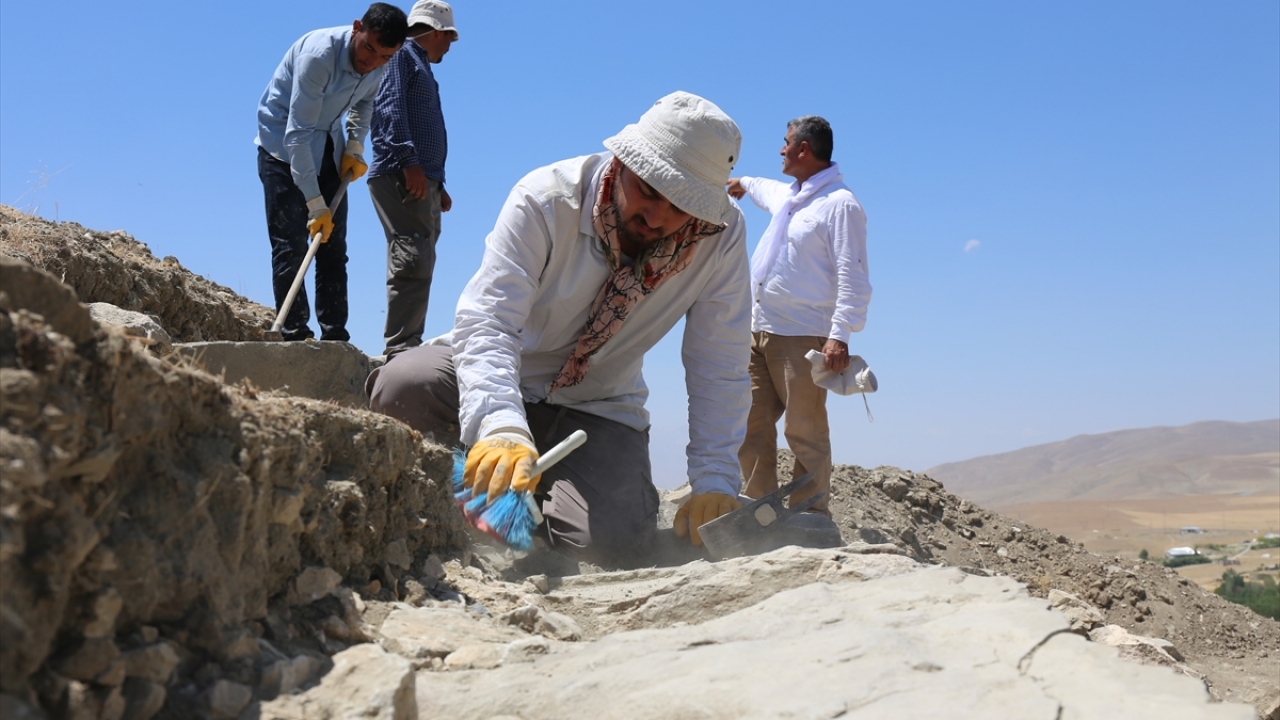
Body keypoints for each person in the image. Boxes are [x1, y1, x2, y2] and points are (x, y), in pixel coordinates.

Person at [368, 91, 752, 568]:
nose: (657, 218)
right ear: (623, 163)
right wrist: (500, 425)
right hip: (507, 377)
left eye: (680, 208)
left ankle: (555, 508)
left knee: (609, 546)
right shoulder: (546, 198)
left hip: (599, 408)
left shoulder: (721, 238)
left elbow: (720, 361)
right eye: (650, 192)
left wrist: (714, 479)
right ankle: (477, 513)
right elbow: (489, 320)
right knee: (405, 385)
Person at [726, 115, 871, 517]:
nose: (781, 149)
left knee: (804, 431)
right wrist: (743, 184)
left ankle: (810, 519)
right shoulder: (793, 198)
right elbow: (766, 190)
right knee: (751, 425)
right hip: (757, 330)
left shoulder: (840, 205)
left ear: (803, 149)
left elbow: (853, 275)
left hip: (803, 335)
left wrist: (839, 334)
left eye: (785, 142)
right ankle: (759, 516)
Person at [256, 3, 408, 342]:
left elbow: (366, 102)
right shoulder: (319, 56)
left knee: (333, 246)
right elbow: (297, 134)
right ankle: (295, 334)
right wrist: (314, 202)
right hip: (282, 150)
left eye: (384, 57)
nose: (371, 62)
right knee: (292, 245)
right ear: (357, 28)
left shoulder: (380, 61)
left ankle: (335, 336)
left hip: (327, 142)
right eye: (368, 48)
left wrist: (354, 145)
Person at [367, 0, 457, 359]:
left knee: (420, 256)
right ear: (437, 32)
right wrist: (409, 163)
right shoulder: (403, 55)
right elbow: (389, 106)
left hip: (421, 178)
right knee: (412, 256)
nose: (449, 47)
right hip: (403, 173)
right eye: (449, 38)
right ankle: (401, 348)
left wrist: (437, 183)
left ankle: (406, 343)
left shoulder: (418, 63)